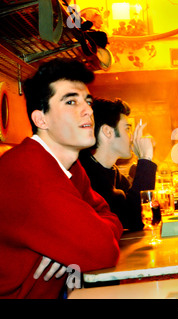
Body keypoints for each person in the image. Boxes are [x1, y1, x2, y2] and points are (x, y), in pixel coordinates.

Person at [0, 58, 123, 299]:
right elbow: (103, 251)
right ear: (41, 119)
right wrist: (84, 240)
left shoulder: (70, 166)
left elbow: (109, 215)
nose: (88, 109)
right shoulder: (30, 173)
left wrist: (77, 243)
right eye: (70, 101)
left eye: (87, 101)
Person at [79, 98, 157, 231]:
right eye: (127, 129)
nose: (132, 138)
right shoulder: (86, 175)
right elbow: (135, 219)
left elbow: (147, 209)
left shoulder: (111, 171)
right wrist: (145, 159)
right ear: (107, 132)